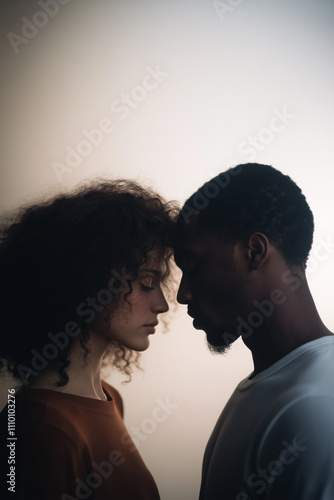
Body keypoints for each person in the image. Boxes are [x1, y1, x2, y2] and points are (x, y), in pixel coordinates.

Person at [0, 179, 178, 500]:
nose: (162, 305)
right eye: (147, 281)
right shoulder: (42, 428)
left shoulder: (110, 398)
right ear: (89, 280)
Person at [172, 163, 334, 500]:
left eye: (193, 266)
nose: (182, 294)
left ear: (255, 251)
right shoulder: (267, 385)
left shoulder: (315, 411)